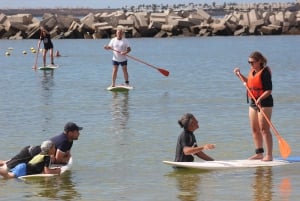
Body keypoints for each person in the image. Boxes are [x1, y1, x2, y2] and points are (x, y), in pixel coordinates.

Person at [233, 51, 273, 161]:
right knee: (254, 129)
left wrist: (260, 99)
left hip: (265, 102)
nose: (250, 64)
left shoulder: (265, 73)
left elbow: (269, 90)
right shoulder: (252, 71)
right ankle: (259, 153)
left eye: (252, 62)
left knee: (264, 129)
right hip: (253, 102)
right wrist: (239, 75)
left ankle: (269, 155)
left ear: (259, 61)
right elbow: (250, 83)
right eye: (249, 62)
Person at [0, 122, 82, 170]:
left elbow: (67, 154)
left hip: (34, 153)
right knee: (6, 168)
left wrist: (65, 158)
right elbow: (58, 160)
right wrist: (65, 160)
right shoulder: (64, 141)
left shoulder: (69, 140)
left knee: (7, 162)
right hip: (31, 154)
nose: (79, 133)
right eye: (77, 131)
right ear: (70, 133)